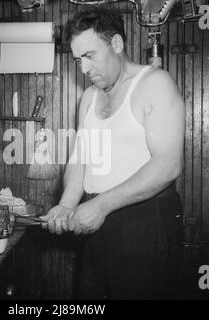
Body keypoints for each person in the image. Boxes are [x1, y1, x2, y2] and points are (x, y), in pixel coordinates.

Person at [40, 4, 185, 300]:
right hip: (94, 222)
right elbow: (81, 158)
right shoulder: (89, 98)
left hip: (146, 223)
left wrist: (102, 206)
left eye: (89, 56)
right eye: (78, 59)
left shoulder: (155, 84)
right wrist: (68, 204)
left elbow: (168, 165)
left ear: (116, 44)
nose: (83, 69)